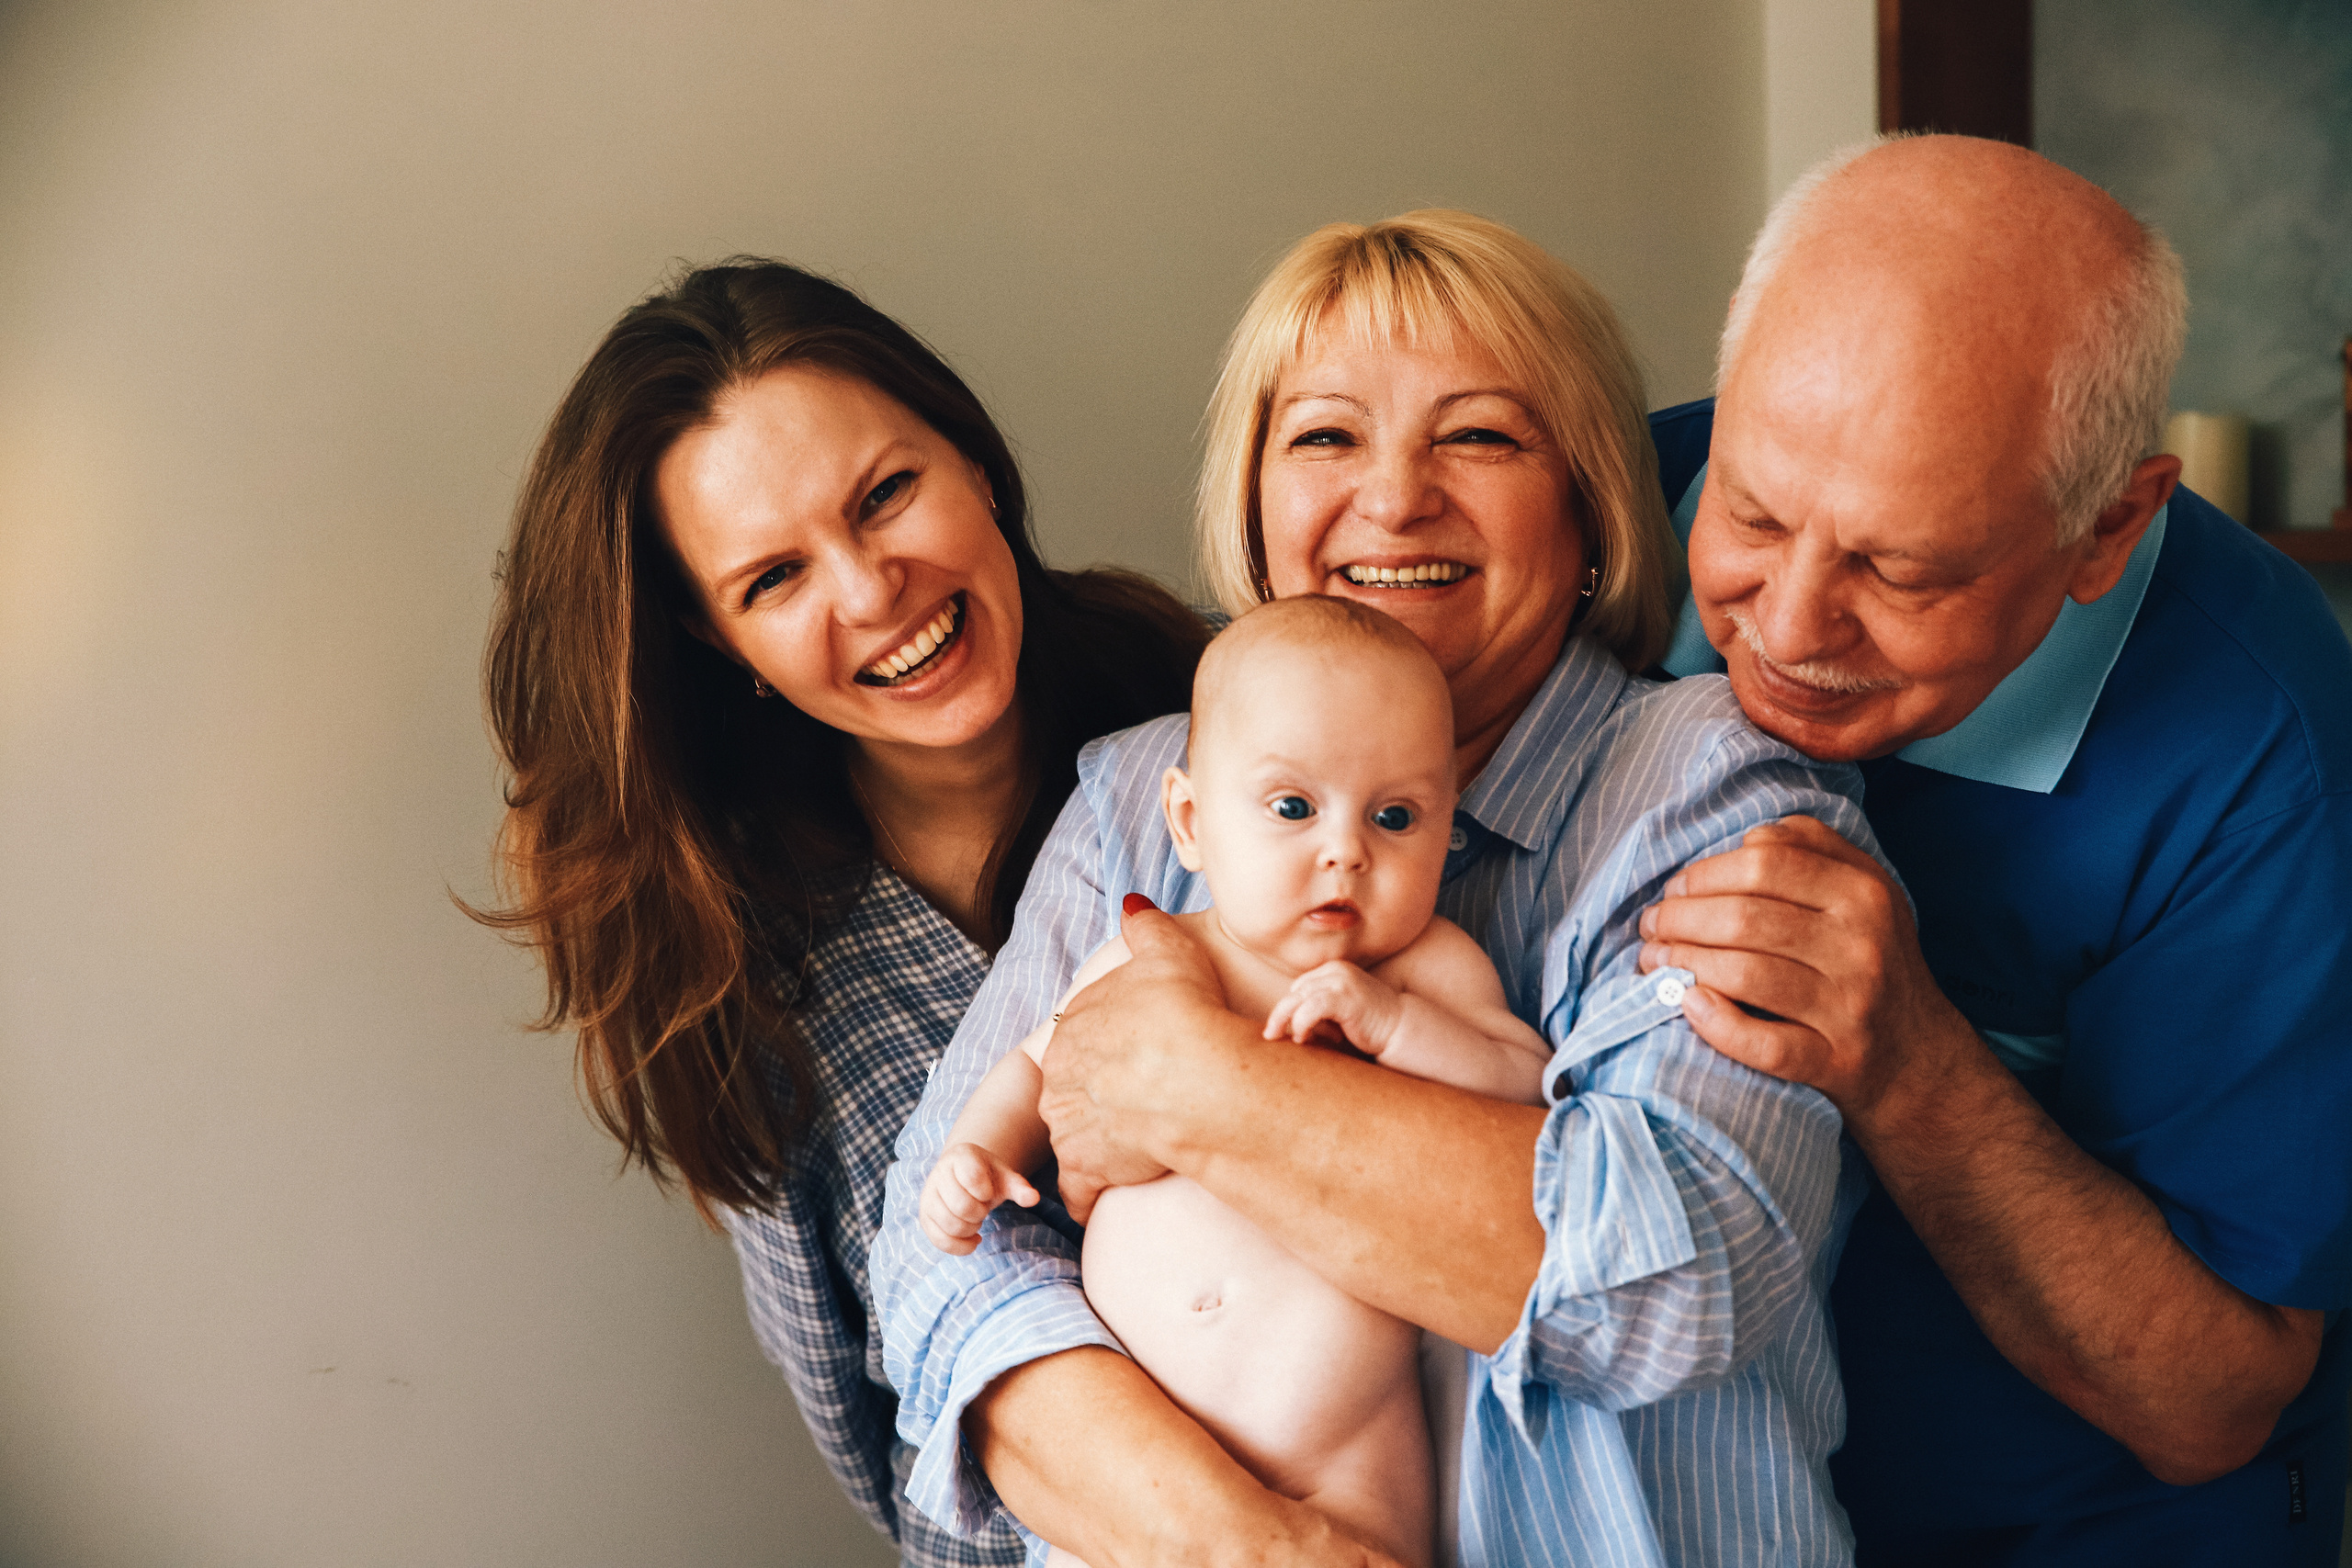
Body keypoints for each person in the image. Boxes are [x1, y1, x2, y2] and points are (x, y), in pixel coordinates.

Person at [873, 210, 1879, 1567]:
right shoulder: (1138, 791)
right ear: (1254, 502)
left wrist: (1195, 1080)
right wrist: (1258, 1547)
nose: (1395, 497)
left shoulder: (1703, 787)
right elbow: (940, 1278)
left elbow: (1676, 1274)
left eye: (1479, 434)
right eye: (1327, 436)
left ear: (1588, 505)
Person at [1632, 135, 2352, 1563]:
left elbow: (2215, 1396)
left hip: (2070, 1518)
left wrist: (1909, 1056)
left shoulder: (2265, 751)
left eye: (1902, 571)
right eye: (1755, 515)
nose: (1783, 625)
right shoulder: (1612, 493)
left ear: (2108, 527)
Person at [470, 257, 1208, 1566]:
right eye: (773, 579)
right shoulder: (748, 975)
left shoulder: (1242, 725)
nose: (873, 592)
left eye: (887, 494)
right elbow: (889, 1448)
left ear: (973, 458)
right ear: (718, 643)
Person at [920, 598, 1551, 1568]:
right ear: (1188, 821)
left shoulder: (1423, 968)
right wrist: (976, 1153)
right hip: (1145, 1465)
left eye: (1395, 816)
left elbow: (1523, 1082)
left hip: (1348, 1447)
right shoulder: (1136, 961)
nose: (1346, 850)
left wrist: (1397, 1027)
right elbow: (1037, 1060)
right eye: (1293, 808)